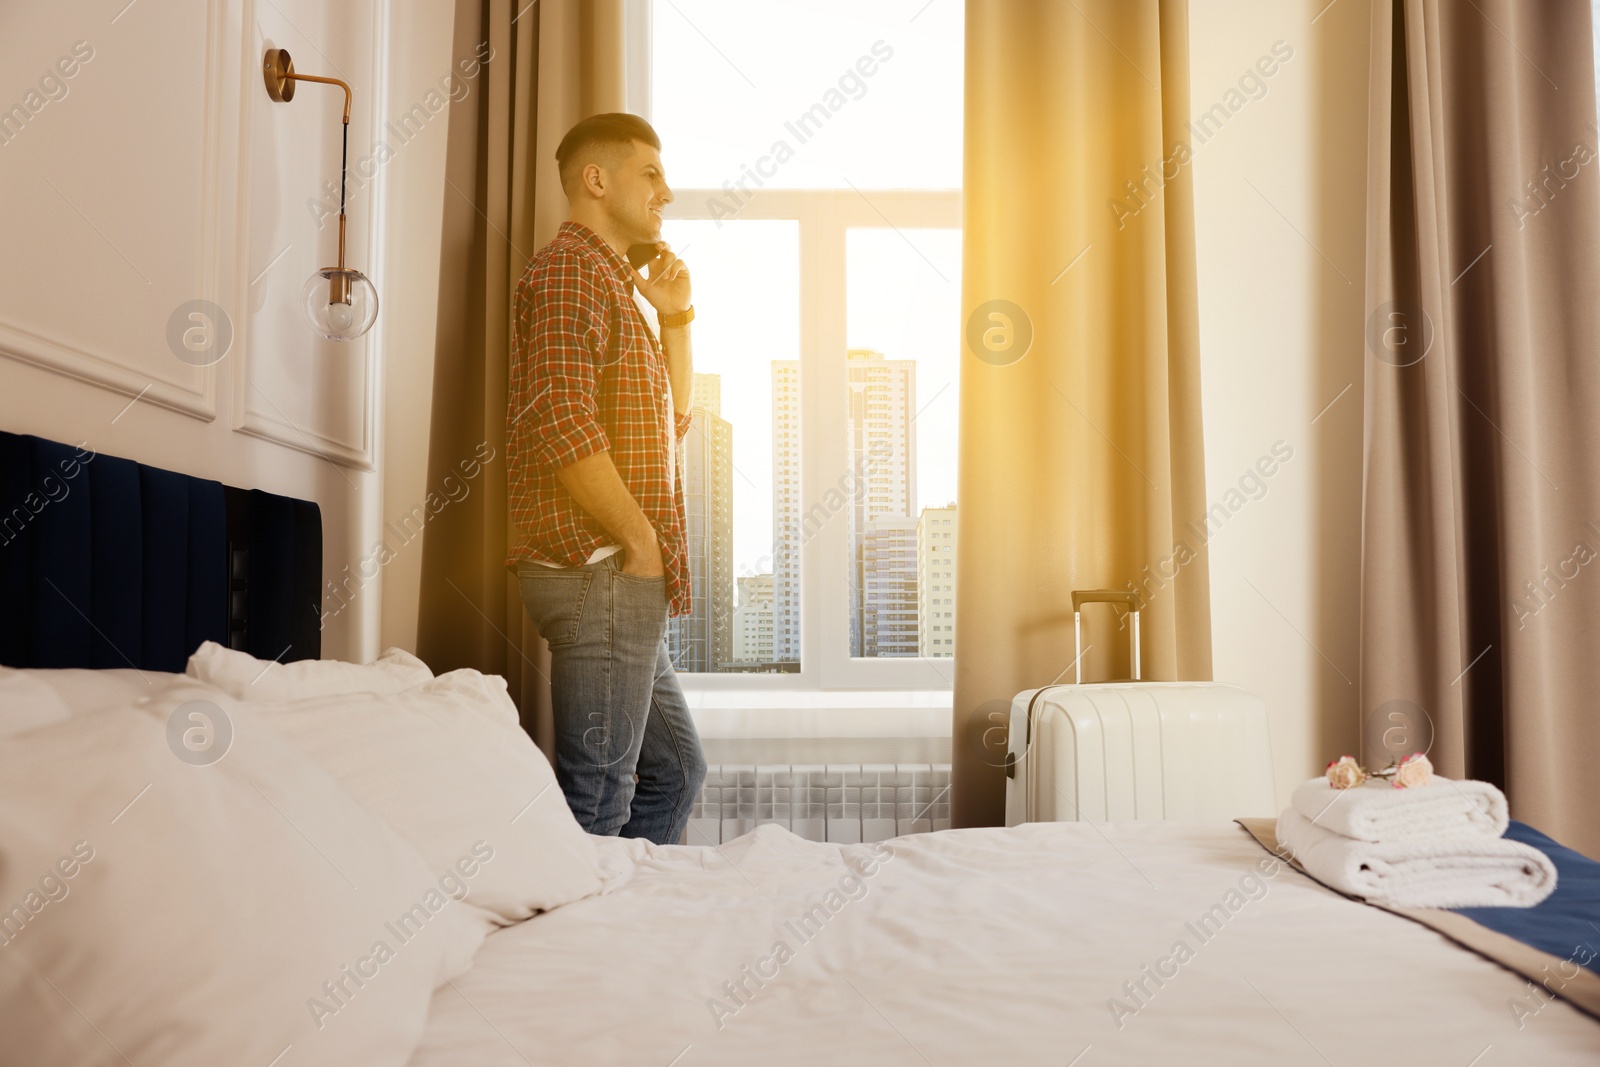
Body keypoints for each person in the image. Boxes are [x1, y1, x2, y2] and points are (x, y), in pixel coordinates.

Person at [507, 113, 706, 845]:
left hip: (618, 575)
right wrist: (639, 542)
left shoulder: (610, 285)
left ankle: (622, 931)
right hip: (600, 570)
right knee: (596, 797)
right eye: (650, 174)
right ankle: (569, 951)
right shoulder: (568, 272)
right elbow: (559, 421)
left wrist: (678, 317)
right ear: (597, 180)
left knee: (677, 771)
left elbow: (674, 421)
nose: (668, 193)